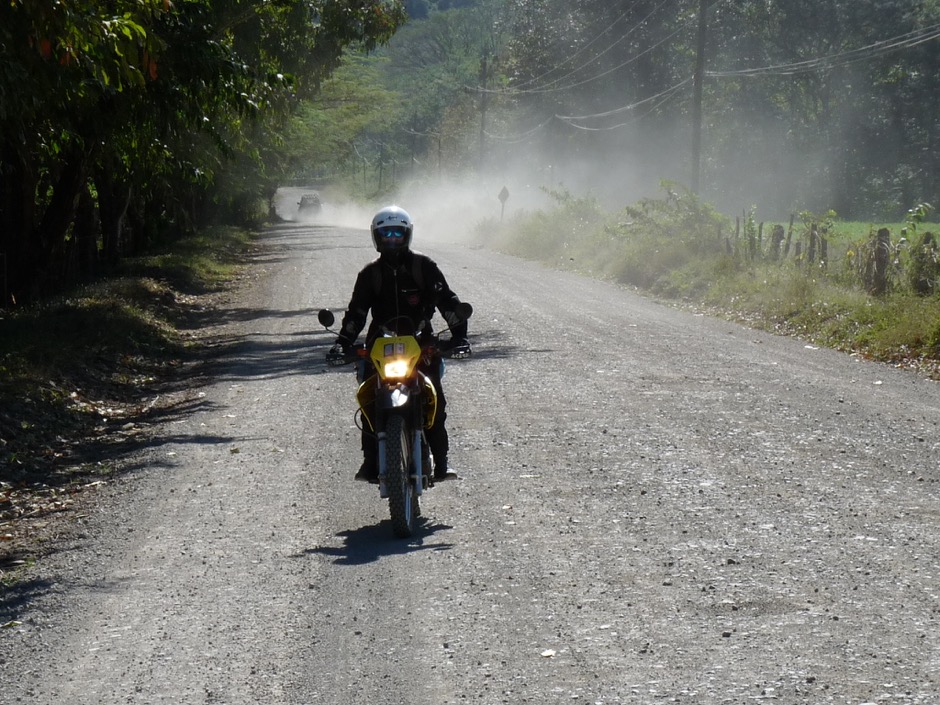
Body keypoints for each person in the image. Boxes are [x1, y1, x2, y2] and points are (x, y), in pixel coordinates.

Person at [327, 205, 471, 483]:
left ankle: (442, 462)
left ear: (407, 235)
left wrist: (459, 336)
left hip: (421, 343)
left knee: (435, 401)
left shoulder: (424, 267)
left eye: (397, 233)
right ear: (376, 237)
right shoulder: (369, 274)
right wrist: (342, 342)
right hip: (379, 346)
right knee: (369, 399)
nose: (391, 239)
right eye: (386, 234)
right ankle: (370, 461)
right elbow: (356, 313)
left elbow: (448, 303)